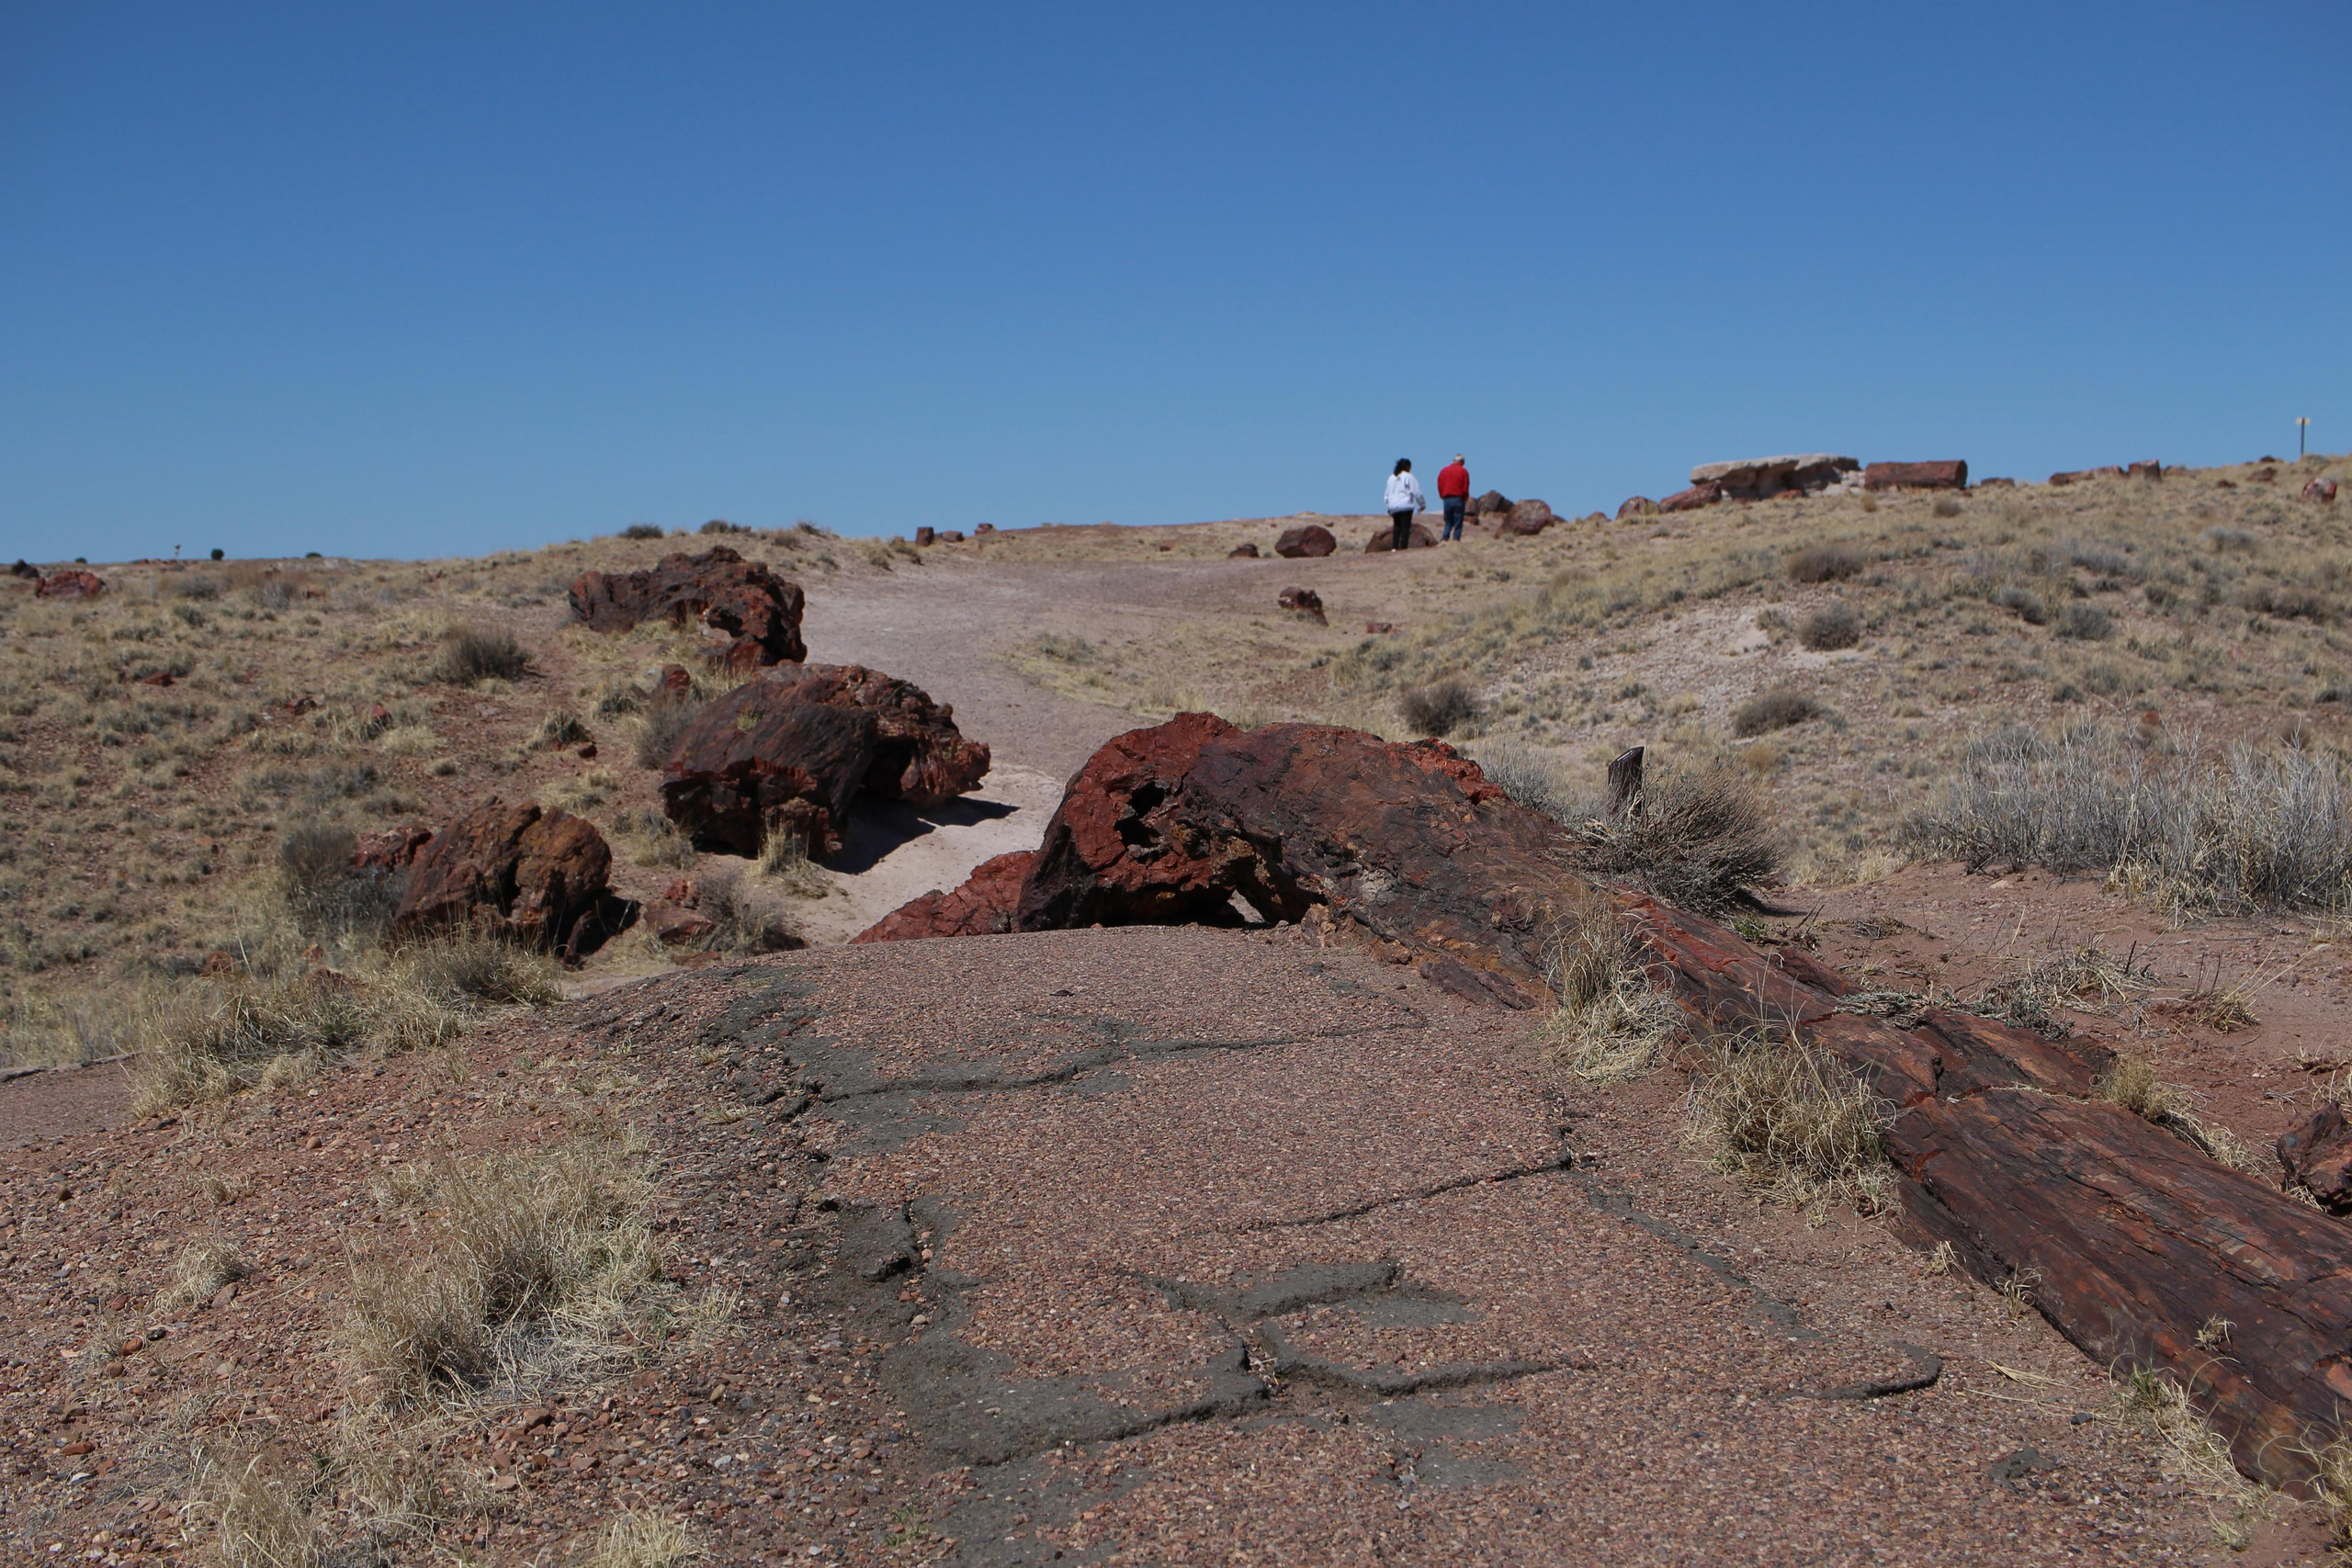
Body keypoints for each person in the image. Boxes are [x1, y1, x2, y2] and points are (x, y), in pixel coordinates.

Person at [1384, 458, 1424, 551]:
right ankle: (1403, 547)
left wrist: (1388, 506)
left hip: (1393, 505)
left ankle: (1394, 546)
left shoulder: (1391, 478)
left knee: (1397, 526)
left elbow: (1387, 494)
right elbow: (1417, 492)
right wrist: (1422, 504)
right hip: (1405, 505)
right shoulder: (1409, 476)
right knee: (1405, 527)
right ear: (1407, 467)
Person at [1436, 454, 1470, 541]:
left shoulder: (1444, 470)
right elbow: (1465, 486)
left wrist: (1442, 495)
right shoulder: (1463, 471)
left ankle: (1445, 538)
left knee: (1448, 520)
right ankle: (1456, 539)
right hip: (1458, 498)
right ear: (1461, 462)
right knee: (1458, 521)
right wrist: (1465, 497)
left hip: (1447, 498)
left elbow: (1440, 484)